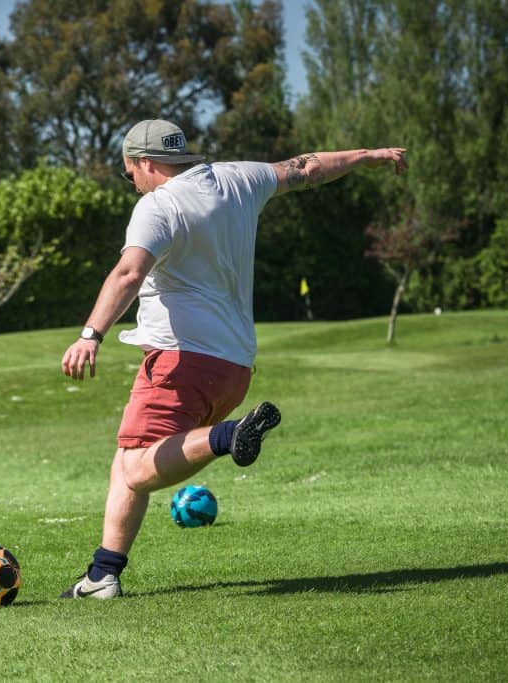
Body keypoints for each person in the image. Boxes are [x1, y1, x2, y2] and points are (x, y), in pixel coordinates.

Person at [59, 119, 408, 599]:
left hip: (180, 362)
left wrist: (90, 334)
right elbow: (306, 169)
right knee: (128, 457)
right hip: (235, 367)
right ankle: (103, 575)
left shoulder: (157, 206)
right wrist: (366, 155)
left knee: (136, 468)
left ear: (145, 162)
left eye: (129, 173)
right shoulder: (238, 178)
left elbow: (128, 273)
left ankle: (230, 435)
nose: (132, 183)